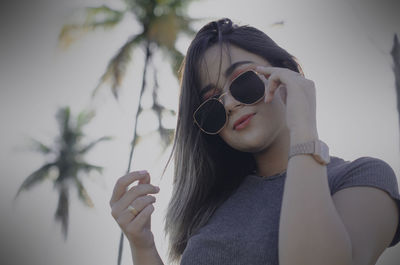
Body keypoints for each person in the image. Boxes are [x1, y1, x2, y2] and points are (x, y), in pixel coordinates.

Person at [109, 18, 400, 265]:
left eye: (243, 81)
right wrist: (143, 245)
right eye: (212, 106)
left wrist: (304, 130)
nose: (231, 104)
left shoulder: (361, 178)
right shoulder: (212, 206)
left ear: (284, 72)